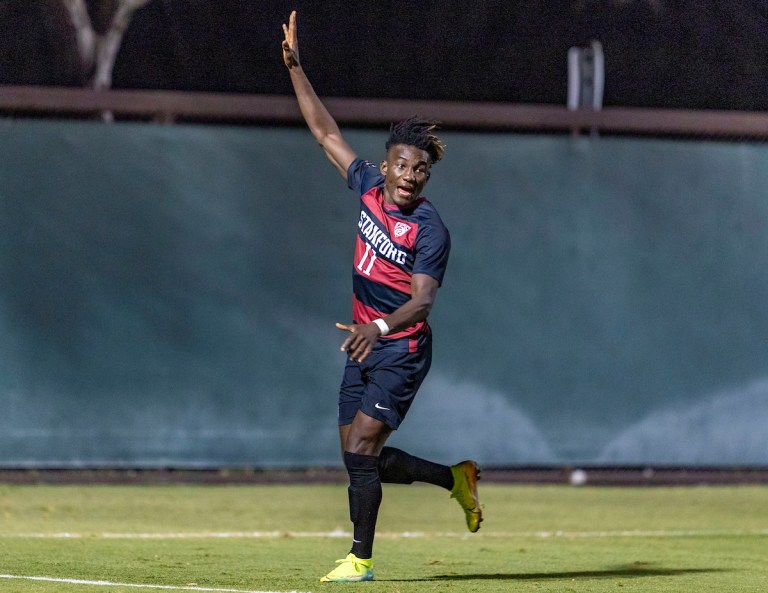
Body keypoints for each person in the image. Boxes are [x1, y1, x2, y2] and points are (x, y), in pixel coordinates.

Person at [281, 10, 482, 583]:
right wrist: (297, 69)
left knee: (364, 446)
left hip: (401, 347)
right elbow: (325, 133)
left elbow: (422, 303)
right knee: (357, 457)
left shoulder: (430, 230)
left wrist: (379, 329)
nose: (410, 175)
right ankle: (455, 479)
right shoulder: (368, 185)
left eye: (420, 169)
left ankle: (360, 560)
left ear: (426, 176)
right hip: (365, 344)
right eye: (402, 164)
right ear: (387, 164)